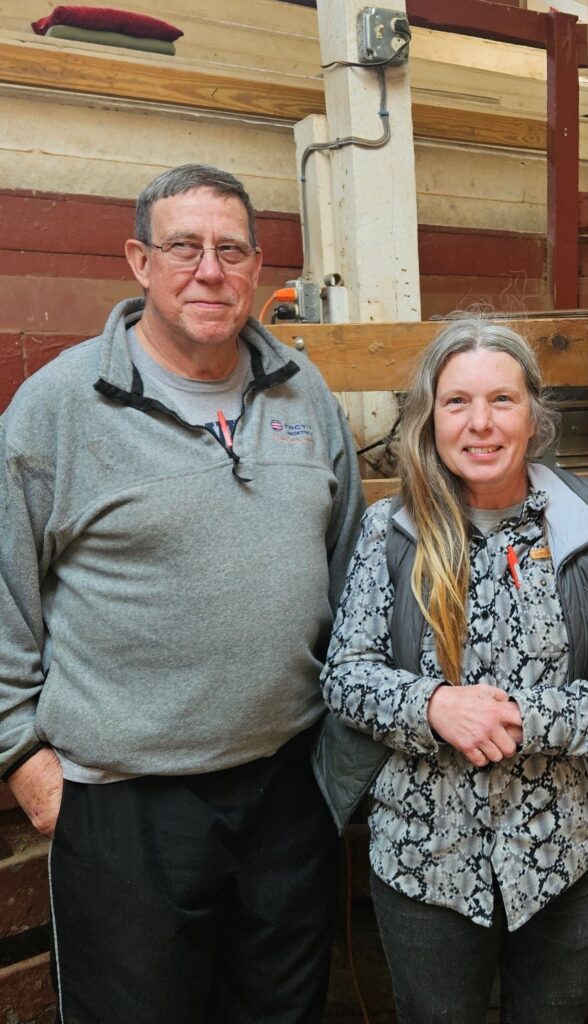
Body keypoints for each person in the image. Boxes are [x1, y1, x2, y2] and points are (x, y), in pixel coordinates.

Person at [0, 164, 364, 1024]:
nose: (210, 270)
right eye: (183, 247)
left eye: (231, 249)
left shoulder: (303, 394)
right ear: (138, 260)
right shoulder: (59, 407)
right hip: (125, 802)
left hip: (285, 788)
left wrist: (334, 765)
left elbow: (349, 571)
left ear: (258, 264)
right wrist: (24, 759)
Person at [317, 318, 588, 1023]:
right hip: (424, 858)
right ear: (430, 417)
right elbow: (345, 675)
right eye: (457, 403)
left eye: (501, 401)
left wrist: (524, 719)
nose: (480, 424)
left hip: (563, 855)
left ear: (534, 415)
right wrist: (434, 707)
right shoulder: (390, 529)